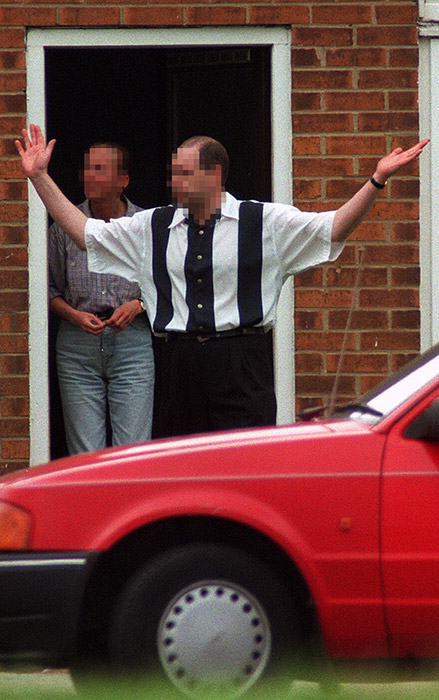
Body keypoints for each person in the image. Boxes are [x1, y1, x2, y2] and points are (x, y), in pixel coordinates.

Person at [16, 126, 429, 437]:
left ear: (213, 176)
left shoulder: (264, 222)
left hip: (241, 363)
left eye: (183, 174)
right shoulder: (151, 227)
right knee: (180, 476)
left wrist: (376, 181)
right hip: (179, 365)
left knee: (244, 470)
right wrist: (39, 177)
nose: (173, 182)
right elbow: (84, 234)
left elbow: (333, 228)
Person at [48, 141, 154, 453]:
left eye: (99, 169)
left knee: (132, 452)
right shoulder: (64, 226)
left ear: (123, 180)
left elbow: (167, 285)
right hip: (77, 345)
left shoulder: (145, 226)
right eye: (87, 168)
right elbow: (49, 289)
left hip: (132, 343)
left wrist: (138, 305)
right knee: (85, 454)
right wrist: (74, 315)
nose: (88, 176)